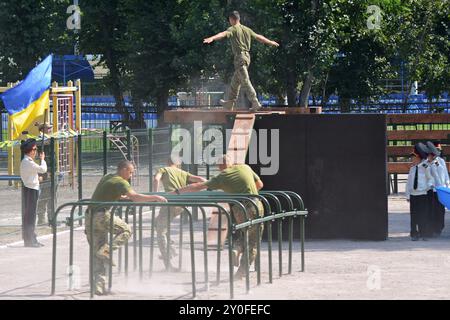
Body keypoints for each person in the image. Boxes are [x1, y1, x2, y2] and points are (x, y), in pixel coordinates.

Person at [174, 155, 264, 279]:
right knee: (253, 241)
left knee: (245, 233)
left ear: (219, 166)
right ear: (231, 162)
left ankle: (237, 249)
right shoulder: (245, 167)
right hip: (255, 204)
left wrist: (177, 192)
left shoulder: (222, 177)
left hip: (238, 209)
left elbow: (198, 186)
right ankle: (240, 273)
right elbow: (260, 184)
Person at [87, 160, 167, 295]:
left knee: (98, 254)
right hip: (101, 215)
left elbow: (112, 194)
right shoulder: (120, 181)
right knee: (126, 230)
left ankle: (98, 288)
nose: (131, 175)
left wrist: (123, 197)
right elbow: (135, 197)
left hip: (89, 216)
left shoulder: (108, 177)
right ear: (123, 169)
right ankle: (107, 251)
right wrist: (155, 197)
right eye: (130, 172)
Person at [203, 11, 279, 112]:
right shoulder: (246, 29)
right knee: (235, 81)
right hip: (247, 57)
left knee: (245, 80)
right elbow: (258, 37)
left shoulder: (233, 29)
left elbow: (223, 34)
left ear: (232, 19)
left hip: (240, 58)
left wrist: (212, 38)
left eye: (229, 20)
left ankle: (255, 101)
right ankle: (229, 103)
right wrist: (270, 42)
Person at [153, 157, 206, 270]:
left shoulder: (163, 169)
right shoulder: (182, 172)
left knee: (160, 232)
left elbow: (156, 179)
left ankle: (168, 263)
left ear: (167, 162)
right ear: (177, 164)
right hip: (180, 205)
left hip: (169, 203)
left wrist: (155, 195)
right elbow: (202, 179)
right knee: (157, 223)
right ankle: (171, 249)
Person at [20, 138, 47, 247]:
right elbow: (43, 169)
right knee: (30, 216)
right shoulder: (28, 162)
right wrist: (43, 159)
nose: (36, 151)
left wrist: (37, 179)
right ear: (30, 151)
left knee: (31, 215)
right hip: (31, 190)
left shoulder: (28, 162)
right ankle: (29, 240)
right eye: (35, 149)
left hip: (31, 188)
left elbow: (32, 175)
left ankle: (32, 238)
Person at [405, 143, 434, 241]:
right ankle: (414, 233)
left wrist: (427, 187)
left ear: (418, 158)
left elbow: (431, 179)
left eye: (413, 157)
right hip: (413, 195)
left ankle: (424, 233)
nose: (412, 159)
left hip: (422, 194)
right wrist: (408, 195)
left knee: (423, 215)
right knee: (414, 215)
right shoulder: (412, 169)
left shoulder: (425, 167)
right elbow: (408, 183)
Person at [426, 141, 449, 237]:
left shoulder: (441, 161)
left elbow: (445, 173)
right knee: (431, 209)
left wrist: (447, 184)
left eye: (439, 150)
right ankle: (432, 228)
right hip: (432, 190)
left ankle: (439, 227)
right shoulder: (427, 163)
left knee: (440, 209)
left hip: (441, 189)